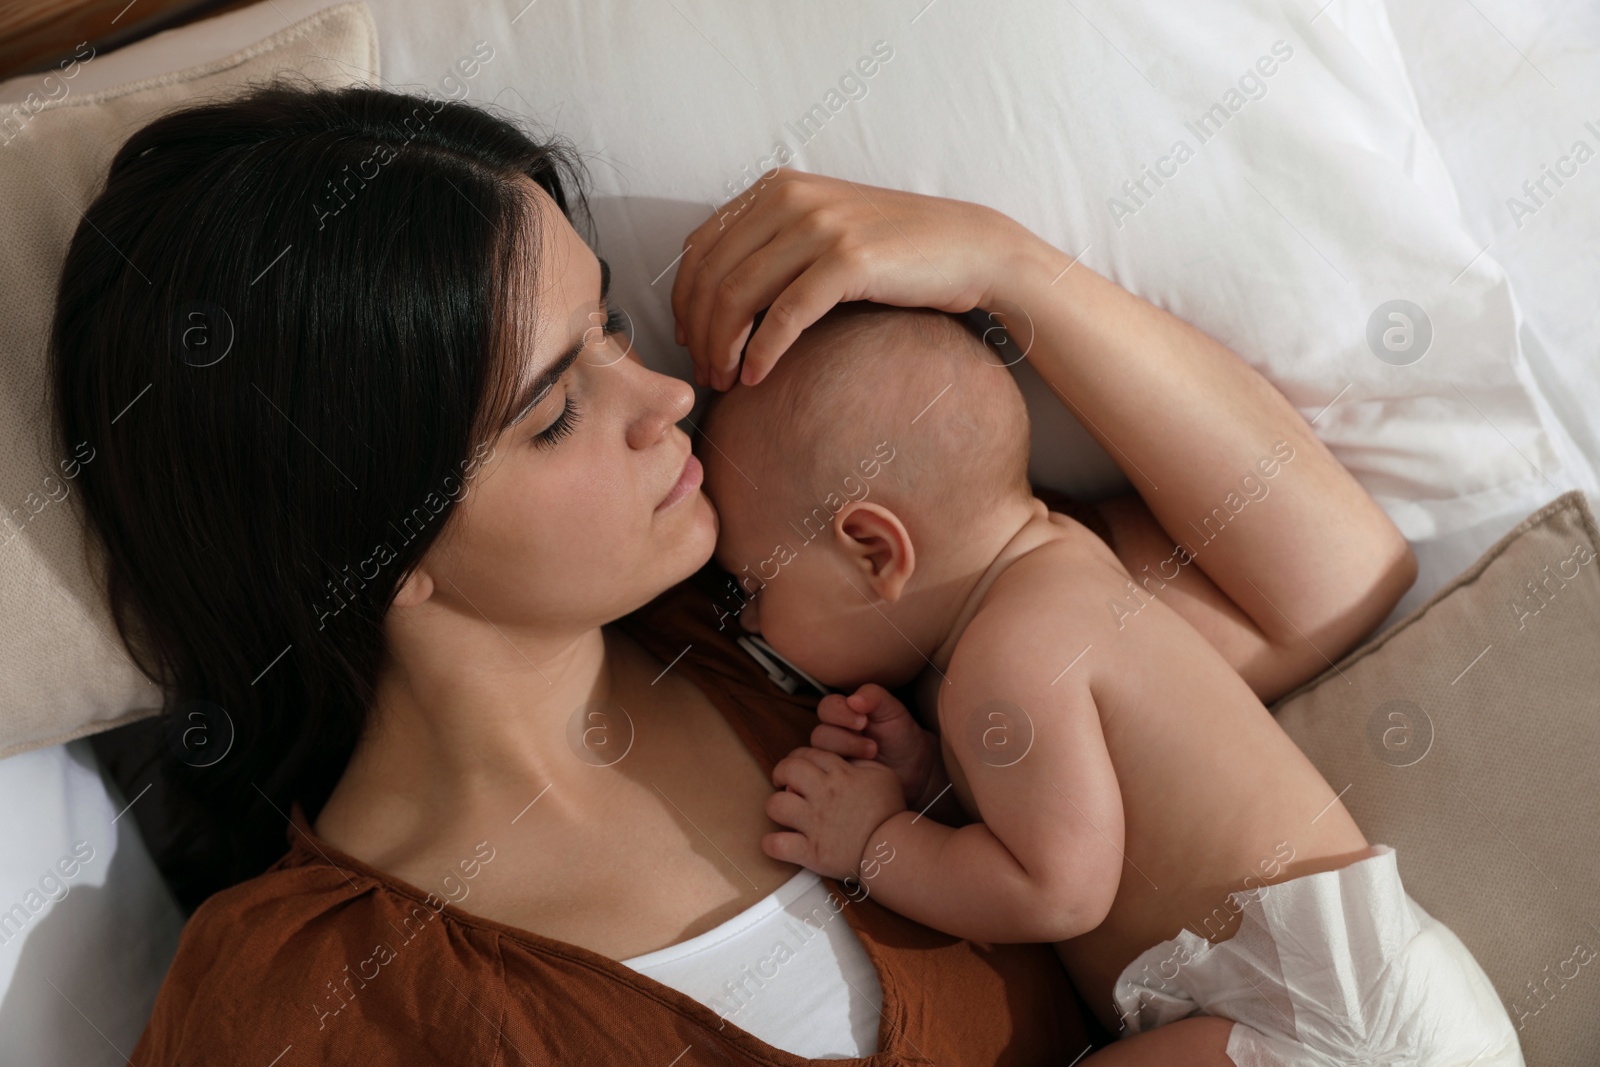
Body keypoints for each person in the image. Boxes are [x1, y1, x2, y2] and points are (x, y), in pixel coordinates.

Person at [48, 80, 1204, 1064]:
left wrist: (1008, 263)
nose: (667, 399)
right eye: (556, 412)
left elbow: (1322, 589)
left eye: (612, 326)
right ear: (371, 557)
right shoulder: (301, 995)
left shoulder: (793, 609)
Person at [692, 301, 1524, 1064]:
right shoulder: (1071, 573)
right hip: (1384, 999)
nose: (751, 625)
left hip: (1316, 1029)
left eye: (753, 587)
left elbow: (1057, 892)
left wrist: (876, 843)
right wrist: (930, 779)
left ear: (876, 550)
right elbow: (1064, 815)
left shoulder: (1005, 660)